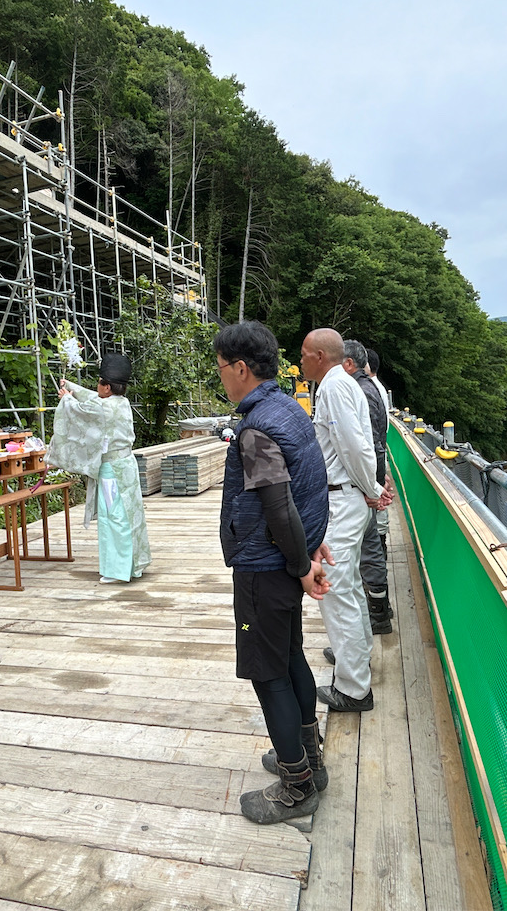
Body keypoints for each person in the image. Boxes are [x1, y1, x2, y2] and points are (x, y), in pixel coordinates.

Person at [216, 321, 333, 825]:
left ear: (241, 368)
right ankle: (310, 759)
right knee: (289, 660)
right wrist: (309, 545)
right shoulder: (289, 407)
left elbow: (280, 504)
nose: (221, 376)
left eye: (221, 368)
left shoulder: (257, 427)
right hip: (285, 558)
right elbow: (310, 483)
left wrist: (301, 562)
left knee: (269, 675)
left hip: (266, 567)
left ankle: (296, 784)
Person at [300, 328, 390, 713]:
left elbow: (353, 445)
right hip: (347, 496)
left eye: (304, 353)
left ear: (320, 356)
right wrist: (369, 485)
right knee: (349, 588)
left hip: (342, 498)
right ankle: (355, 659)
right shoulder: (344, 384)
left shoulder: (334, 389)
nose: (299, 359)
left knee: (335, 591)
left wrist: (370, 485)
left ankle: (353, 689)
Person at [46, 353, 152, 584]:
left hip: (112, 471)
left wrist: (66, 399)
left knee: (114, 518)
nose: (97, 386)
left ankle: (117, 570)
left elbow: (79, 410)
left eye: (100, 382)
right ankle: (133, 566)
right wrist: (72, 387)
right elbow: (92, 398)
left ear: (106, 386)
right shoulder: (121, 402)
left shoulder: (102, 408)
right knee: (129, 517)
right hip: (125, 467)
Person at [343, 340, 393, 635]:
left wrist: (371, 484)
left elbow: (364, 444)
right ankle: (380, 611)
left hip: (364, 482)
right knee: (371, 543)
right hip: (371, 475)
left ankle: (376, 616)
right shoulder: (372, 387)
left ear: (349, 364)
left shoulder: (358, 391)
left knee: (367, 547)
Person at [365, 349, 392, 562]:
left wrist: (379, 475)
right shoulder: (378, 388)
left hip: (377, 458)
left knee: (379, 509)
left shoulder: (369, 389)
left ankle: (379, 556)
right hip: (380, 455)